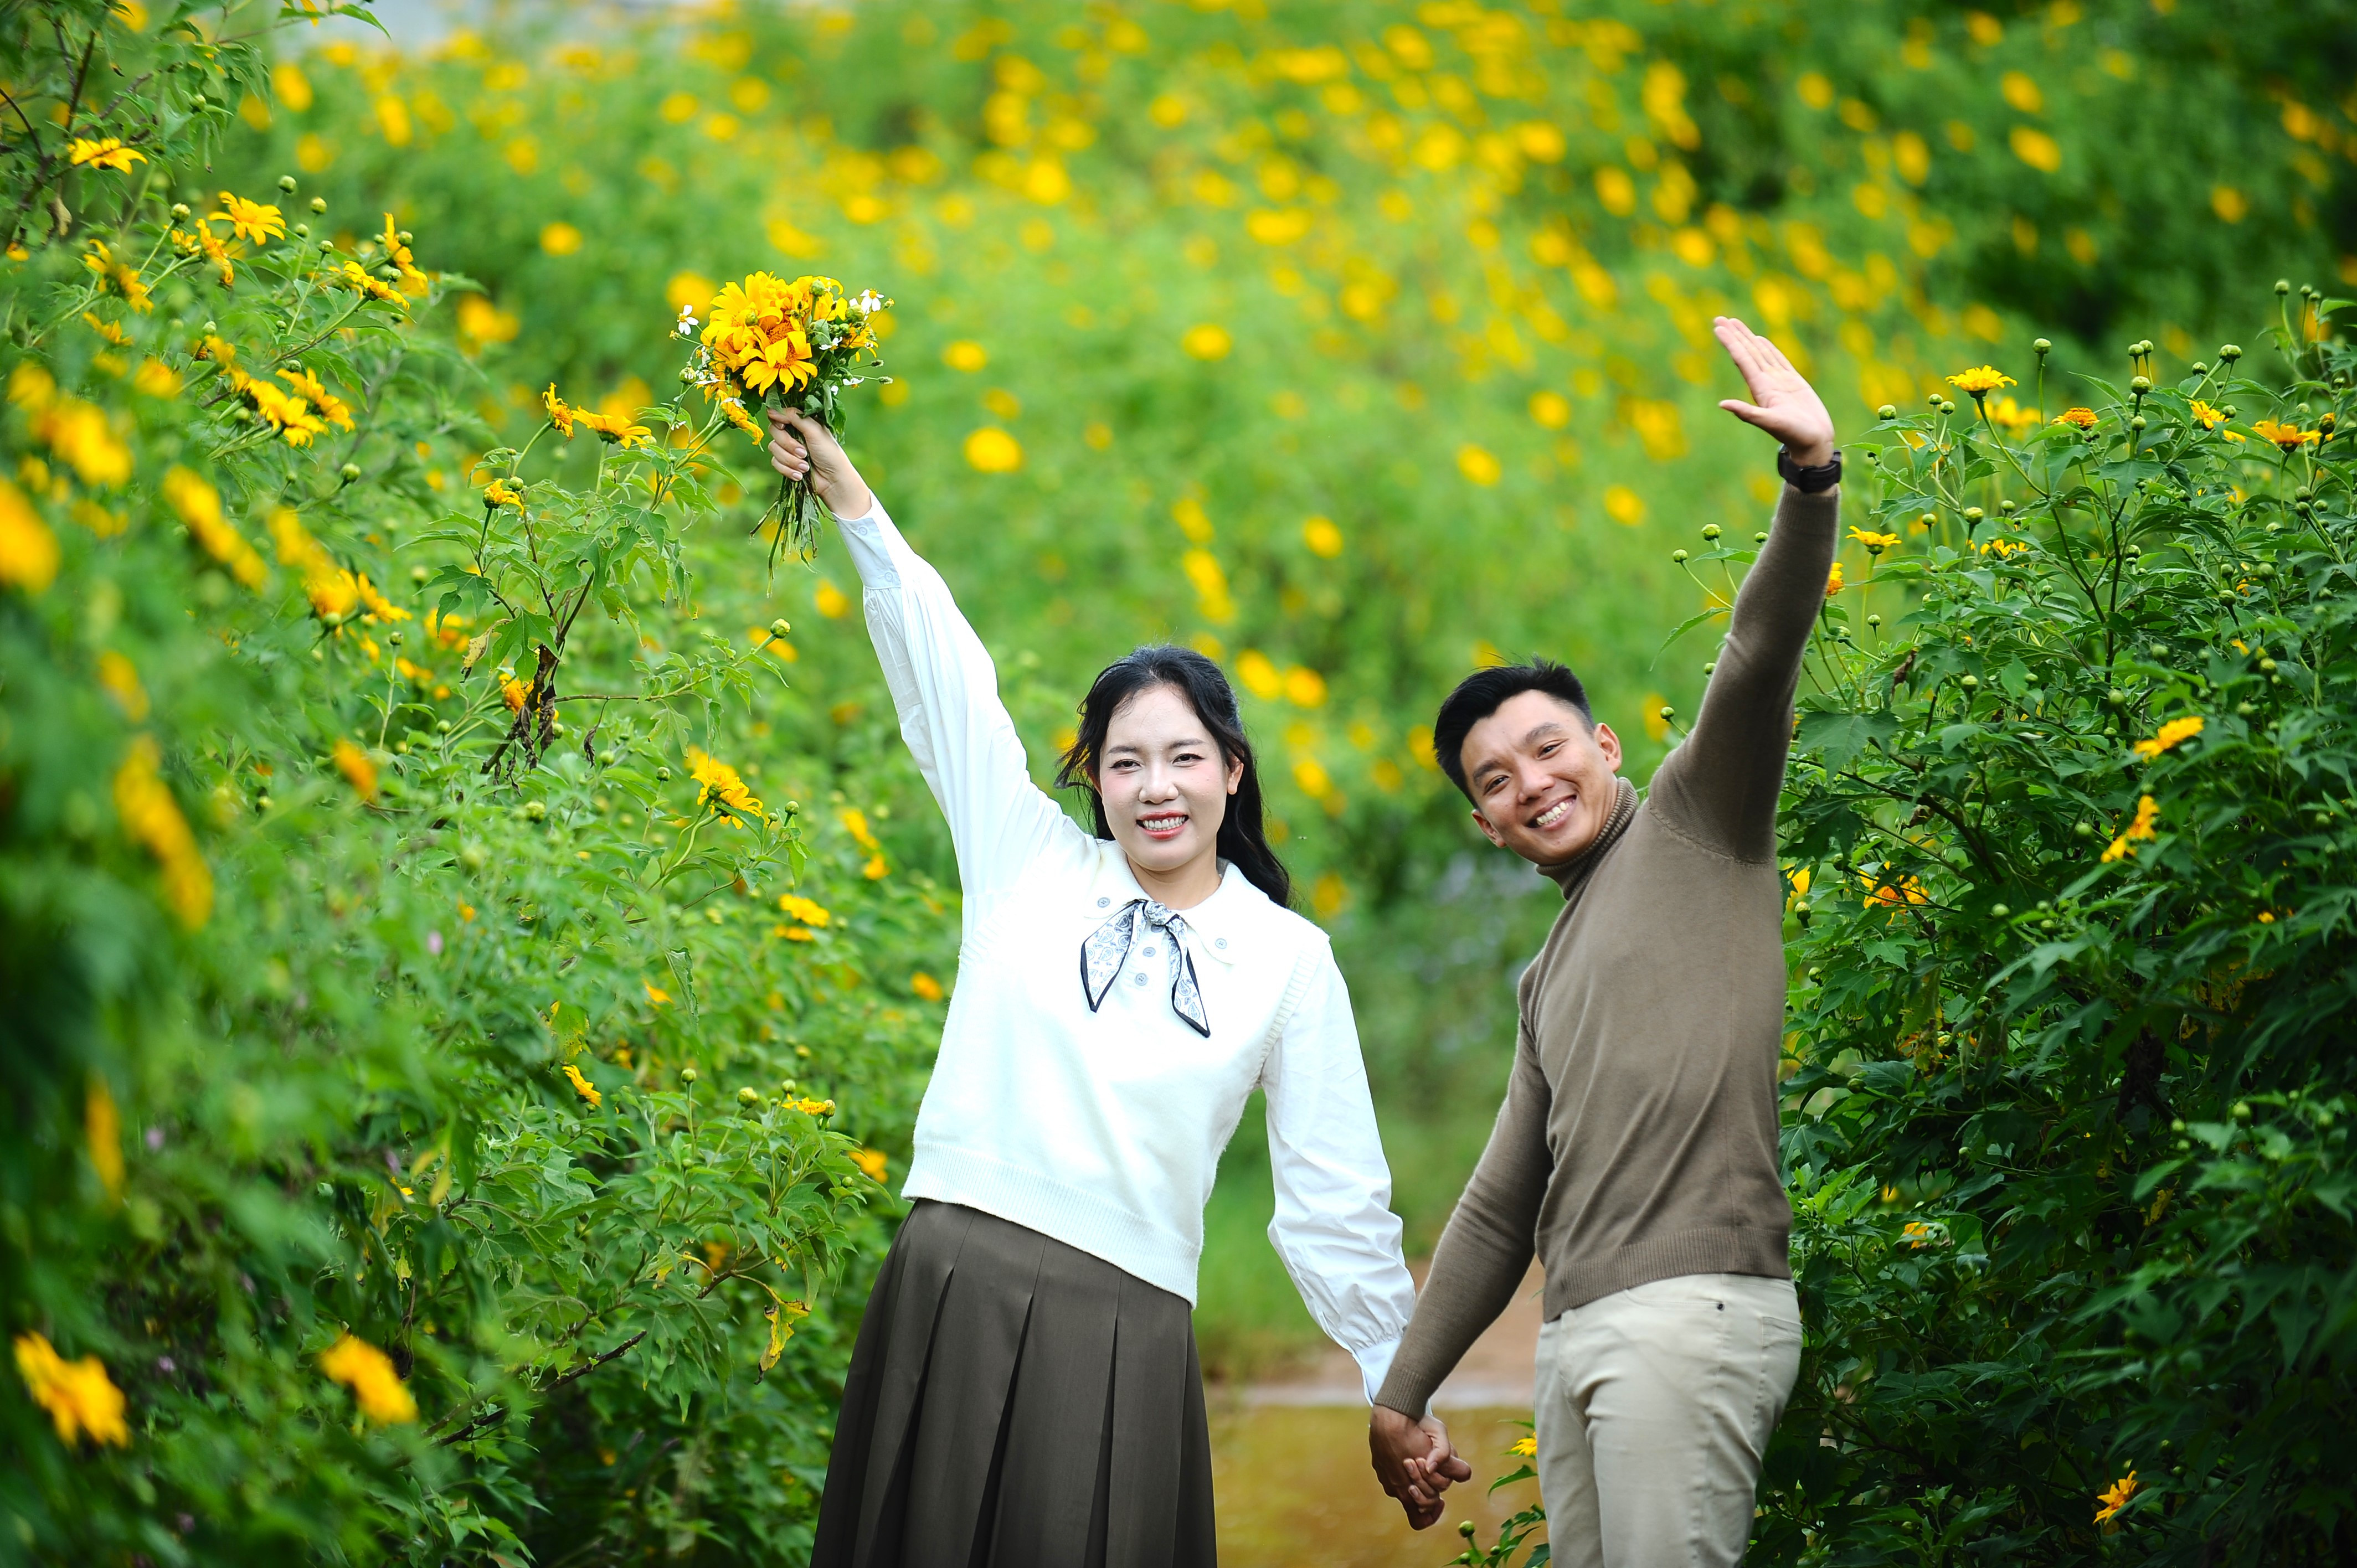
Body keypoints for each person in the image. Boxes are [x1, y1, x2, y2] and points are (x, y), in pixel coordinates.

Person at [764, 408, 1456, 1566]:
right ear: (1096, 781)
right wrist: (851, 500)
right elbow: (949, 680)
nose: (1155, 788)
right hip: (954, 1285)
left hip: (1126, 1326)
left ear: (1232, 772)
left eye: (1183, 758)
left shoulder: (1289, 960)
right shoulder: (1026, 859)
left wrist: (1396, 1379)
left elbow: (1334, 1195)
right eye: (1125, 763)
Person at [1365, 316, 1841, 1562]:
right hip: (1580, 1331)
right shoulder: (1546, 978)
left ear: (1605, 747)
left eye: (1547, 747)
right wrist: (1403, 1392)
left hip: (1691, 1313)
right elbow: (1497, 1207)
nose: (1531, 782)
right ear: (1485, 826)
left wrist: (1810, 480)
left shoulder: (1696, 822)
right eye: (1496, 779)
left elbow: (1758, 654)